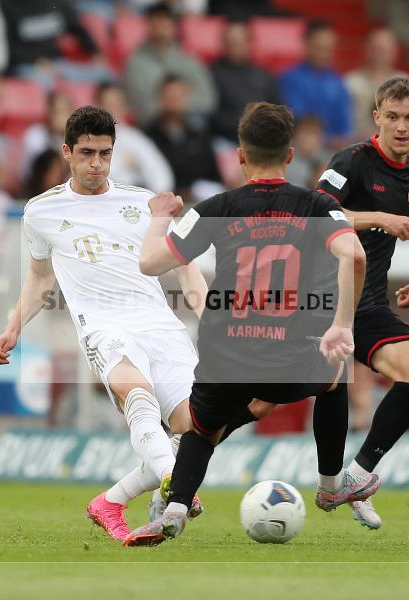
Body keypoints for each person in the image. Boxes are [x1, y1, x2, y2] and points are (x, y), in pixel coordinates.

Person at [123, 102, 370, 547]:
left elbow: (150, 263)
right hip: (288, 357)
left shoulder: (217, 208)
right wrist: (342, 325)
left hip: (224, 357)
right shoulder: (317, 206)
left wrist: (160, 217)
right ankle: (332, 485)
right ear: (290, 155)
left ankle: (175, 509)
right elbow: (353, 254)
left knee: (202, 430)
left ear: (239, 155)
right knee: (336, 376)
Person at [0, 106, 208, 541]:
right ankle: (175, 481)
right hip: (105, 326)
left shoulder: (144, 203)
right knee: (138, 397)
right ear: (66, 152)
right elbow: (40, 277)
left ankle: (111, 500)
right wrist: (13, 327)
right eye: (87, 153)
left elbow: (185, 267)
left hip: (161, 326)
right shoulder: (41, 212)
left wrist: (213, 320)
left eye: (105, 154)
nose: (97, 164)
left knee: (195, 427)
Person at [311, 76, 409, 529]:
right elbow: (317, 213)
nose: (401, 127)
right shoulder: (352, 161)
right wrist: (380, 217)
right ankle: (178, 470)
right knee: (262, 403)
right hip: (320, 298)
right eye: (393, 117)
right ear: (377, 117)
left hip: (365, 303)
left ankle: (356, 477)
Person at [124, 2, 217, 126]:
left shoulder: (187, 58)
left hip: (190, 125)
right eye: (156, 20)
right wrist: (177, 101)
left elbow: (208, 99)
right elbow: (143, 108)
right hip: (153, 127)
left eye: (166, 20)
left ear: (174, 25)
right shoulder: (135, 63)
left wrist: (174, 104)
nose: (161, 25)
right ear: (147, 25)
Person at [279, 21, 353, 146]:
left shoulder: (338, 82)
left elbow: (345, 126)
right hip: (300, 146)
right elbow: (298, 121)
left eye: (328, 49)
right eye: (319, 48)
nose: (324, 54)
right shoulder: (290, 79)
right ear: (307, 45)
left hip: (334, 148)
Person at [209, 19, 280, 143]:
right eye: (231, 42)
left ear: (249, 43)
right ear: (223, 44)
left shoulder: (263, 74)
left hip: (263, 140)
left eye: (240, 42)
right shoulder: (212, 74)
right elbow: (211, 113)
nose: (235, 47)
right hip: (225, 139)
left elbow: (277, 108)